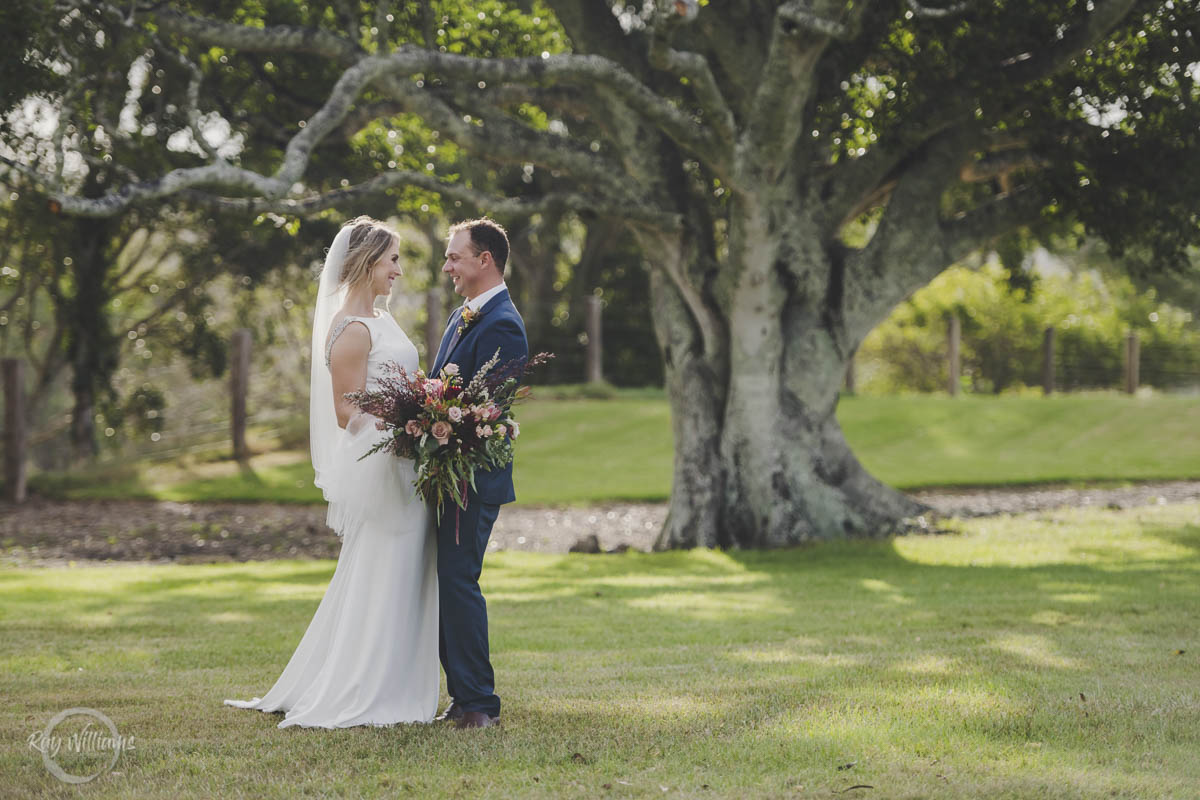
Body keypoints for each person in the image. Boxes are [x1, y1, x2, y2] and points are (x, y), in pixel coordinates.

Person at [223, 216, 439, 728]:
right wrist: (409, 423)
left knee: (408, 571)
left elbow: (398, 383)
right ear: (366, 264)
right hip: (388, 470)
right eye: (392, 261)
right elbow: (348, 413)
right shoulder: (350, 331)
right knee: (385, 569)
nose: (399, 271)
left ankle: (399, 677)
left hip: (410, 467)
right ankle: (368, 685)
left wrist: (428, 411)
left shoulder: (384, 319)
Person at [429, 218, 528, 730]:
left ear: (483, 259)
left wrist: (433, 413)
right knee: (449, 580)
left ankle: (480, 704)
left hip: (473, 477)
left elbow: (486, 409)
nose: (447, 265)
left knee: (459, 580)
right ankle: (462, 696)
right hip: (448, 475)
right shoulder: (462, 316)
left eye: (454, 257)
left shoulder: (502, 324)